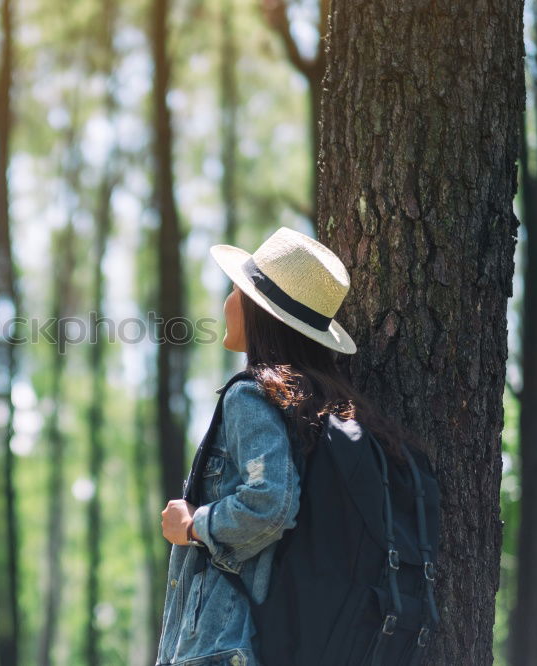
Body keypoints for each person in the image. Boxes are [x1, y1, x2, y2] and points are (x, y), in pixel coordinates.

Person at [155, 227, 417, 666]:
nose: (226, 303)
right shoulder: (322, 402)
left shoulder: (250, 396)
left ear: (259, 312)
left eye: (235, 291)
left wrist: (192, 524)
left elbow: (270, 503)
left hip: (222, 643)